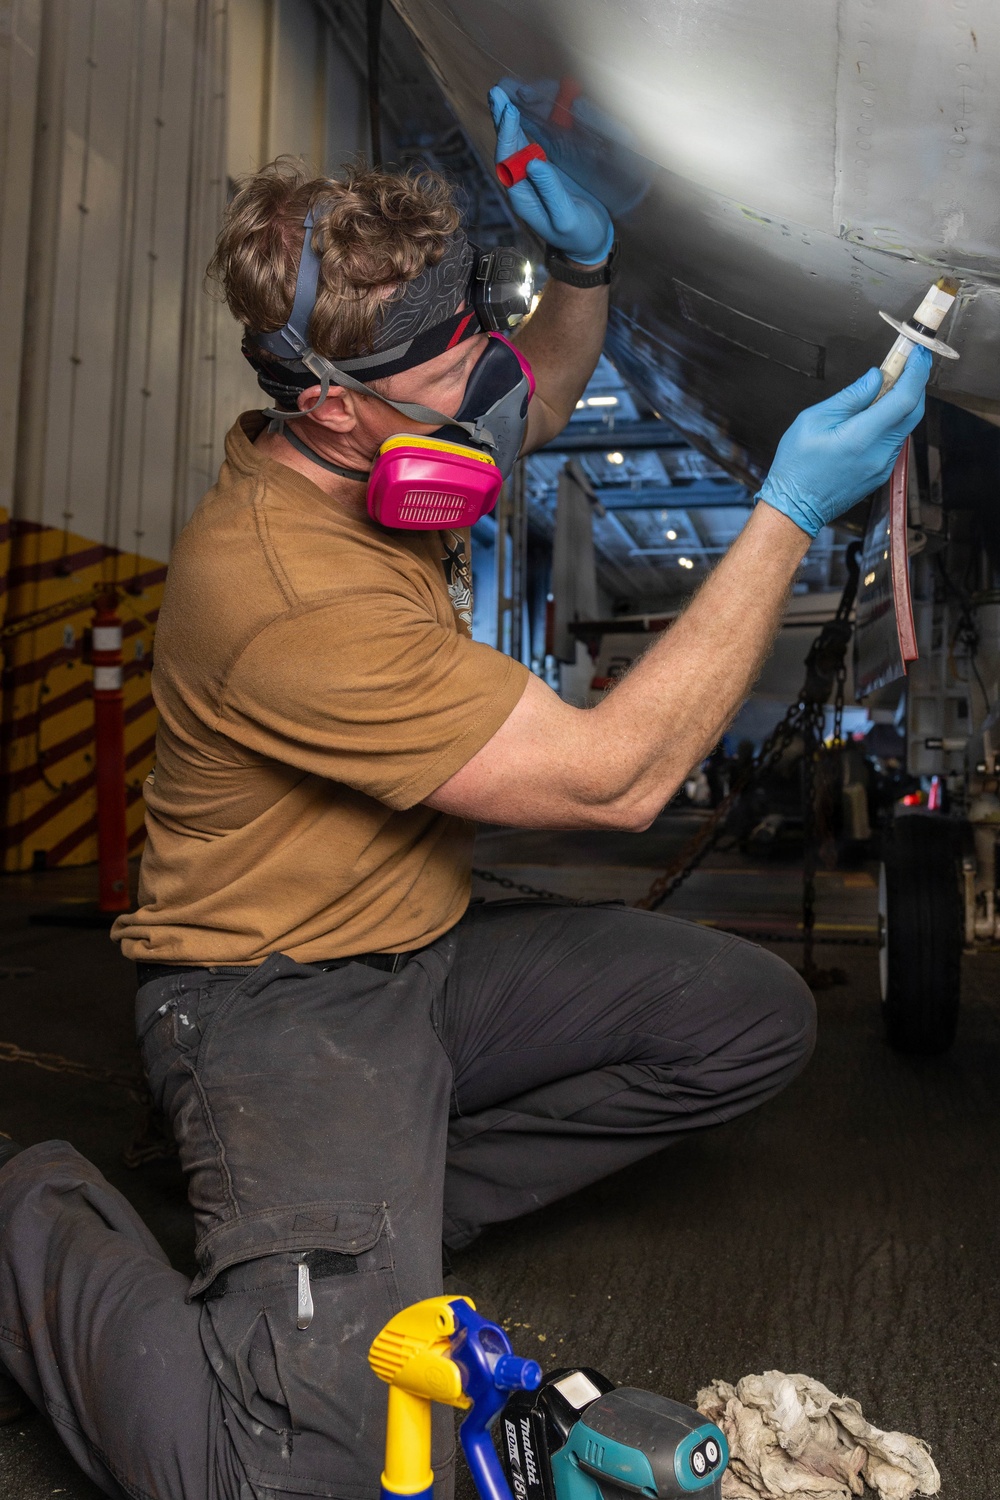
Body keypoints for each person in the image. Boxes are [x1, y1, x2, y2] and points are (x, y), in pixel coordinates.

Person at [0, 87, 930, 1500]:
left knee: (746, 1025)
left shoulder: (379, 449)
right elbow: (617, 783)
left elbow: (534, 384)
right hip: (271, 995)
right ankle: (33, 1212)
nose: (496, 389)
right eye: (457, 374)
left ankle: (372, 1227)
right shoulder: (287, 591)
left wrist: (585, 271)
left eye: (476, 339)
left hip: (430, 944)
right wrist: (788, 512)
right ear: (328, 399)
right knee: (288, 1473)